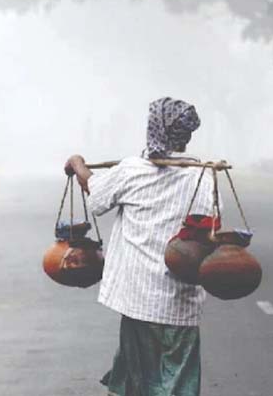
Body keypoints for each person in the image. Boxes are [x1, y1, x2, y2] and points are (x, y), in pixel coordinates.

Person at [64, 97, 215, 396]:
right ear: (186, 135)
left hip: (139, 299)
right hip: (180, 303)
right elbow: (211, 230)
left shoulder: (132, 170)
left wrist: (78, 163)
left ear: (153, 129)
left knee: (136, 382)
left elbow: (96, 193)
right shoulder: (203, 175)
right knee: (178, 383)